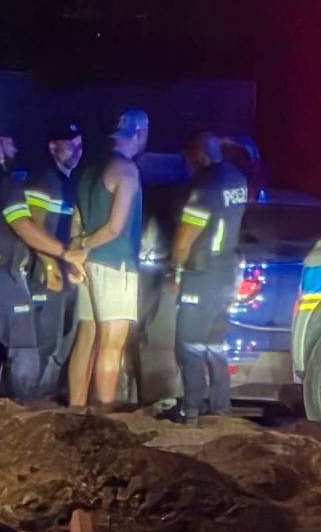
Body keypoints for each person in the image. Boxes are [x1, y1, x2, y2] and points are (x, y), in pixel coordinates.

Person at [0, 130, 88, 405]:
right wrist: (64, 254)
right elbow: (23, 225)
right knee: (24, 347)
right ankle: (23, 410)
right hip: (1, 271)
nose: (15, 147)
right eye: (10, 141)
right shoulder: (9, 183)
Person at [68, 108, 148, 411]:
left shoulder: (89, 172)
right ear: (139, 134)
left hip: (87, 265)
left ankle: (76, 408)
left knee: (86, 337)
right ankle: (105, 412)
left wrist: (76, 251)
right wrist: (84, 245)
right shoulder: (126, 171)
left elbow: (76, 218)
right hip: (116, 264)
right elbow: (115, 227)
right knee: (111, 345)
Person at [167, 133, 248, 426]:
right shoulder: (237, 178)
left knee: (188, 345)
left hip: (202, 274)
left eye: (189, 161)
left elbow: (185, 239)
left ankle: (191, 410)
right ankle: (220, 409)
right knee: (214, 344)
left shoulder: (206, 187)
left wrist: (175, 270)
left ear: (199, 157)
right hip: (227, 272)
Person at [23, 125, 85, 399]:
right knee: (42, 343)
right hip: (42, 274)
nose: (77, 151)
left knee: (59, 343)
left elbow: (71, 227)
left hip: (63, 272)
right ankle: (30, 402)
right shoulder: (42, 178)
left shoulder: (68, 182)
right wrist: (49, 266)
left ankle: (44, 399)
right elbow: (34, 227)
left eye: (80, 144)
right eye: (70, 145)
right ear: (53, 147)